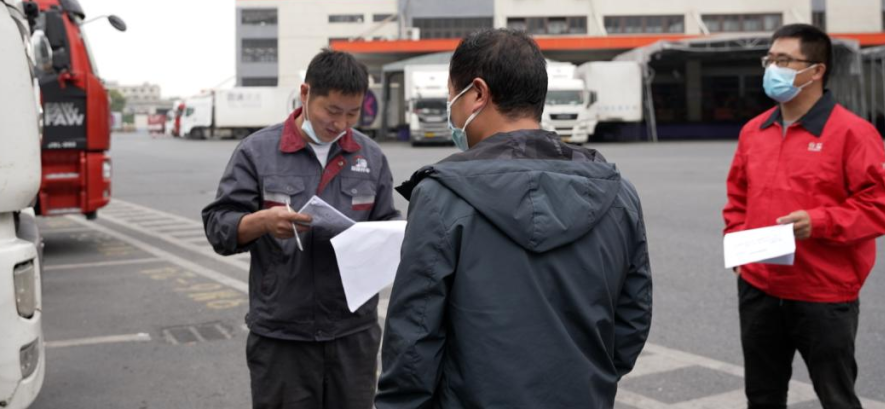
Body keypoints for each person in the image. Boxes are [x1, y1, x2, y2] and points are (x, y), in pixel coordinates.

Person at [376, 29, 652, 408]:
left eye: (450, 97)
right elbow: (631, 322)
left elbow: (414, 338)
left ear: (476, 93)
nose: (451, 111)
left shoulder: (442, 195)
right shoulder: (619, 195)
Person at [203, 49, 399, 409]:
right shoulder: (258, 152)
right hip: (283, 336)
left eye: (352, 113)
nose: (340, 124)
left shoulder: (370, 157)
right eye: (332, 111)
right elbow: (219, 227)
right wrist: (261, 222)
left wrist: (388, 236)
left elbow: (387, 223)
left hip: (352, 334)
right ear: (305, 93)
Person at [724, 24, 885, 409]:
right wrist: (739, 254)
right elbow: (737, 197)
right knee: (763, 395)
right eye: (769, 59)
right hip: (759, 288)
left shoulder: (854, 133)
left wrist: (819, 222)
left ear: (816, 70)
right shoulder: (754, 131)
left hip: (823, 292)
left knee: (835, 397)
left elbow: (882, 207)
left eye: (784, 60)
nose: (772, 68)